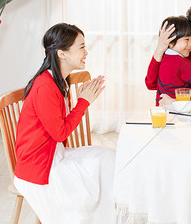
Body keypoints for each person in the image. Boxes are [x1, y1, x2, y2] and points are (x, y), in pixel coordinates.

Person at [14, 23, 115, 224]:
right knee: (103, 170)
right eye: (81, 47)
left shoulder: (57, 80)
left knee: (109, 158)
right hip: (41, 168)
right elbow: (60, 134)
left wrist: (83, 100)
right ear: (62, 54)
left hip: (53, 156)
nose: (86, 52)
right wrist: (84, 102)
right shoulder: (45, 86)